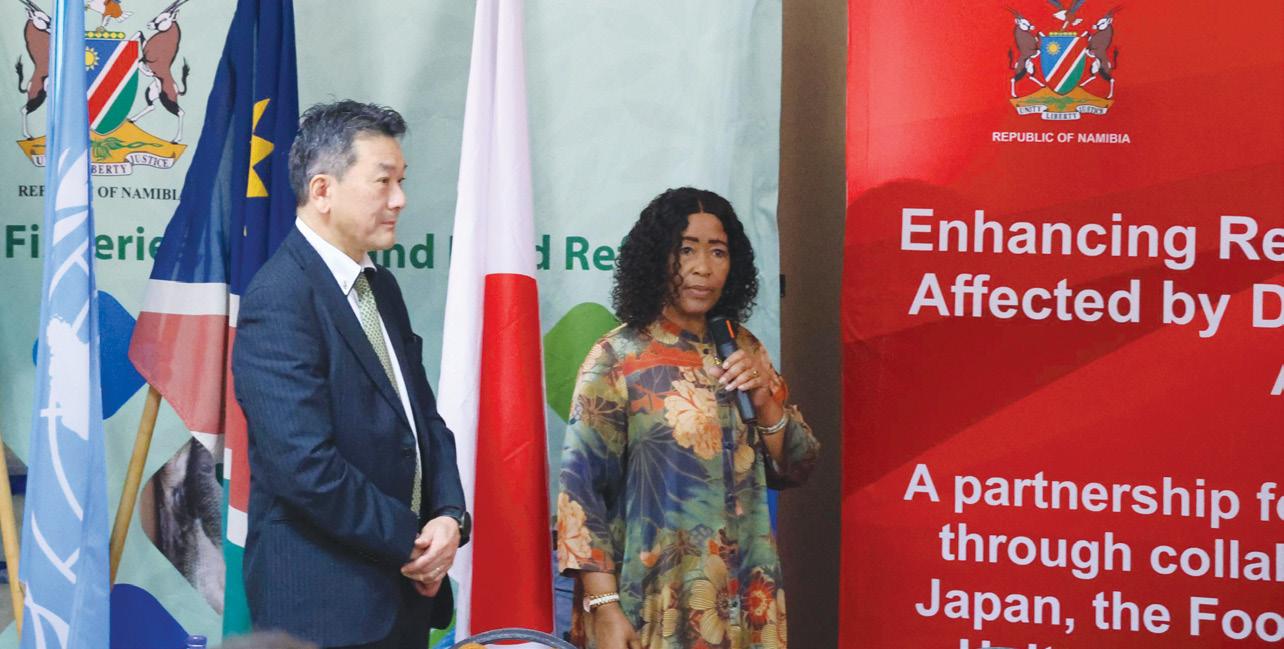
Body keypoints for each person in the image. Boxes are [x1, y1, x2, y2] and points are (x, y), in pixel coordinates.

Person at [233, 101, 471, 649]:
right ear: (322, 190)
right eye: (383, 181)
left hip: (404, 593)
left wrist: (449, 516)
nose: (400, 199)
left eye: (402, 181)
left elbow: (423, 421)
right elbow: (305, 467)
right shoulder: (279, 297)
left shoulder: (380, 287)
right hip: (324, 606)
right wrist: (414, 541)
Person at [557, 187, 820, 649]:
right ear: (657, 258)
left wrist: (765, 400)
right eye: (686, 250)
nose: (703, 268)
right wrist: (605, 607)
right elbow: (581, 497)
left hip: (749, 600)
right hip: (657, 601)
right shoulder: (618, 358)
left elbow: (797, 465)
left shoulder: (745, 348)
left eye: (717, 252)